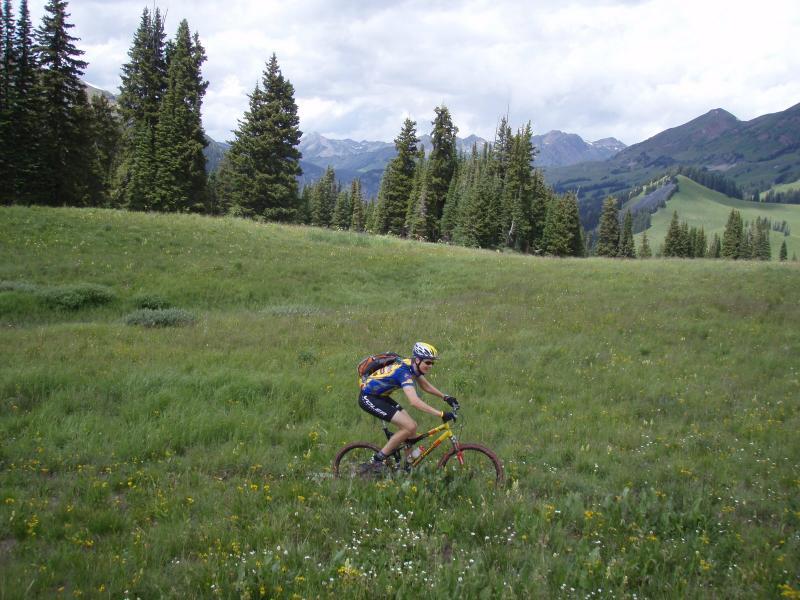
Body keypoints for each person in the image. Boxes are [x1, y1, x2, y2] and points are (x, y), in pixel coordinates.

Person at [358, 342, 459, 471]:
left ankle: (407, 466)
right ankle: (376, 460)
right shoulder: (403, 372)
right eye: (428, 362)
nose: (430, 366)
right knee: (409, 426)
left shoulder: (412, 365)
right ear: (417, 359)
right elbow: (414, 401)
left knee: (412, 427)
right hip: (368, 397)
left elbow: (425, 385)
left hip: (381, 396)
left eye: (433, 363)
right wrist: (441, 414)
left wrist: (445, 397)